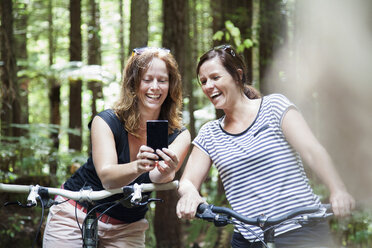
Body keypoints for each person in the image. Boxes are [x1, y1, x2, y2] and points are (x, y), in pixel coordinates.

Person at [176, 45, 355, 248]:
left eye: (215, 77)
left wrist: (338, 189)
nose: (208, 86)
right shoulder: (211, 134)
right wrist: (190, 194)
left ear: (237, 75)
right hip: (248, 239)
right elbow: (187, 181)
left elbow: (312, 151)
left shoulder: (274, 107)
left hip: (302, 230)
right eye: (204, 81)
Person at [43, 47, 191, 248]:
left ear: (171, 85)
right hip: (75, 213)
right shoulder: (106, 121)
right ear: (133, 83)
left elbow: (157, 178)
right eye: (147, 80)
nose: (155, 87)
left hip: (128, 226)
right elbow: (107, 178)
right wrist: (138, 166)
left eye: (162, 80)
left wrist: (167, 171)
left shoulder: (180, 134)